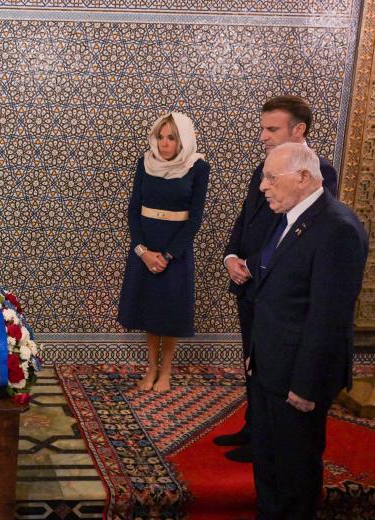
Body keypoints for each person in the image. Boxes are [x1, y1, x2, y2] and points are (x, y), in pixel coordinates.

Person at [215, 95, 339, 463]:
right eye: (262, 128)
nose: (263, 136)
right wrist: (231, 256)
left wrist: (256, 263)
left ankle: (267, 439)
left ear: (298, 129)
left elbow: (297, 233)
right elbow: (247, 218)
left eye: (272, 129)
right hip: (249, 281)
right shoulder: (265, 168)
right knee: (253, 359)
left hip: (279, 287)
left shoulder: (319, 172)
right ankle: (253, 427)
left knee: (274, 365)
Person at [247, 142, 366, 519]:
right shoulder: (290, 218)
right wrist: (256, 351)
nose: (263, 186)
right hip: (271, 364)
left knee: (295, 473)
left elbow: (328, 317)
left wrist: (306, 384)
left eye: (270, 177)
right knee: (268, 462)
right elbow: (276, 294)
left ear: (303, 177)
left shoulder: (337, 228)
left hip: (299, 376)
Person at [117, 112, 210, 392]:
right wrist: (142, 250)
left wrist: (169, 255)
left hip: (176, 250)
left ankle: (166, 370)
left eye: (172, 137)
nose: (165, 143)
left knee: (169, 310)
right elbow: (134, 209)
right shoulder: (145, 164)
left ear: (183, 140)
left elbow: (195, 218)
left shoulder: (198, 167)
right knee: (149, 308)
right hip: (145, 247)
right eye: (162, 136)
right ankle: (151, 368)